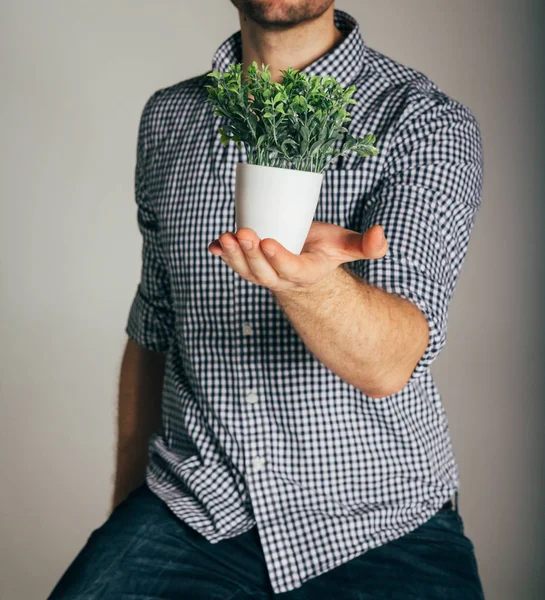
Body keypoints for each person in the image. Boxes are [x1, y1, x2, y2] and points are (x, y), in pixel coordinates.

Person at [48, 2, 486, 598]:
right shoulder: (169, 118)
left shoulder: (424, 120)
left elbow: (390, 361)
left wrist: (309, 284)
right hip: (189, 513)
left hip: (381, 526)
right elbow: (154, 325)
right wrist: (127, 515)